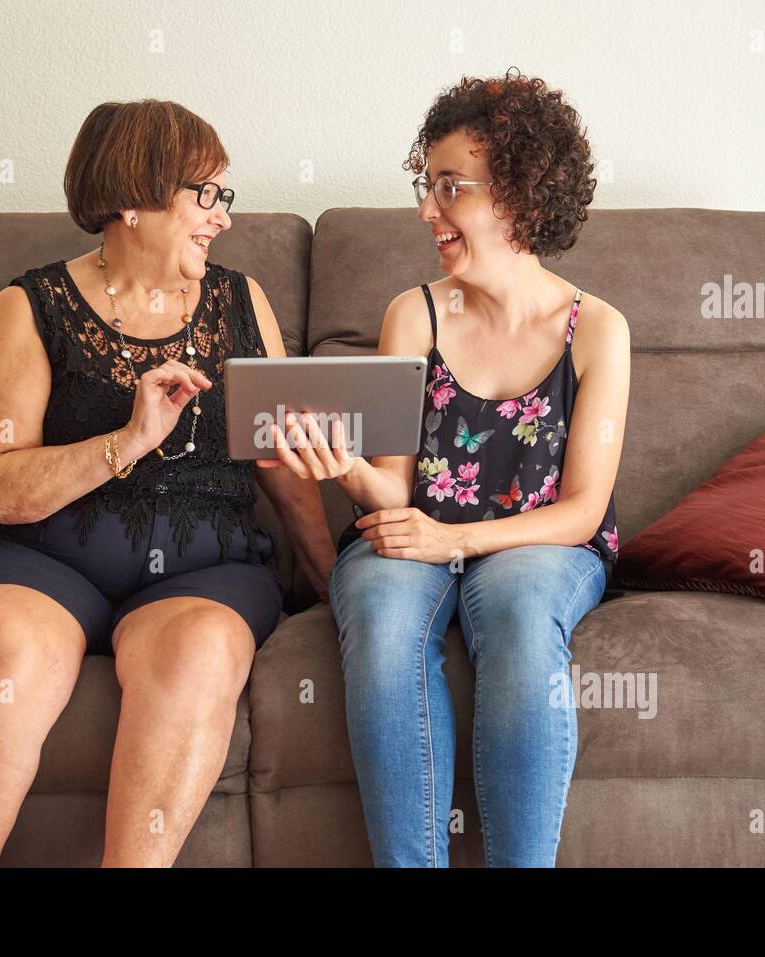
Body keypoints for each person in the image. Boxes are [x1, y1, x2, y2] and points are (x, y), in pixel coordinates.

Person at [0, 99, 336, 867]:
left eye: (224, 195)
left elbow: (277, 463)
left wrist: (333, 583)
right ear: (134, 201)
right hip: (43, 560)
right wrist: (127, 440)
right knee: (0, 646)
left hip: (203, 567)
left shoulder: (241, 304)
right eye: (203, 195)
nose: (222, 218)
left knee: (204, 650)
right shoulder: (30, 306)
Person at [264, 69, 628, 866]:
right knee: (384, 613)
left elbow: (583, 508)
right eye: (426, 186)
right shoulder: (414, 313)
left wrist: (454, 541)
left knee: (526, 612)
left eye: (450, 188)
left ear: (518, 195)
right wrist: (347, 467)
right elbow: (391, 489)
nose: (428, 210)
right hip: (411, 530)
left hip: (540, 543)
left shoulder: (597, 330)